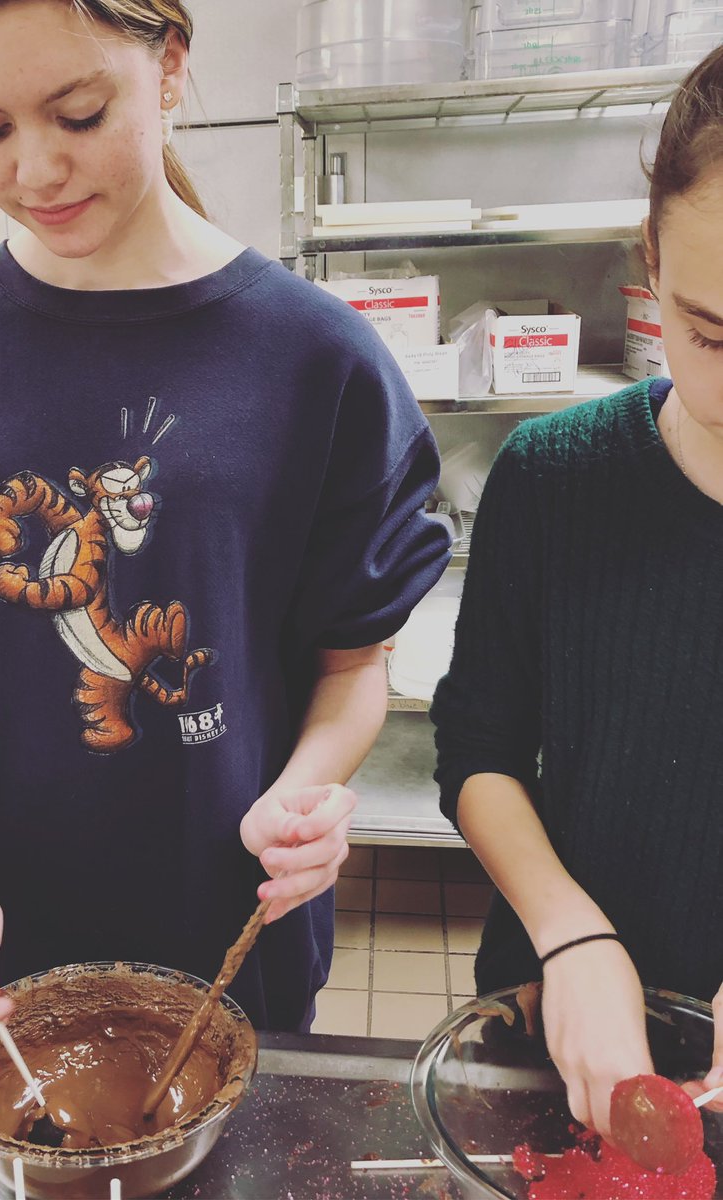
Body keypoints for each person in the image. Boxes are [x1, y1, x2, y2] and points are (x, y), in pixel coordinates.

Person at [0, 0, 450, 1039]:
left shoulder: (317, 361)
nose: (33, 172)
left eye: (76, 114)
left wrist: (297, 802)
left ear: (169, 69)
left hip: (231, 936)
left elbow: (351, 665)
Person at [431, 44, 723, 1143]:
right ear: (647, 260)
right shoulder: (552, 476)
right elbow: (477, 748)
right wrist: (567, 932)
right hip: (549, 1013)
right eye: (711, 335)